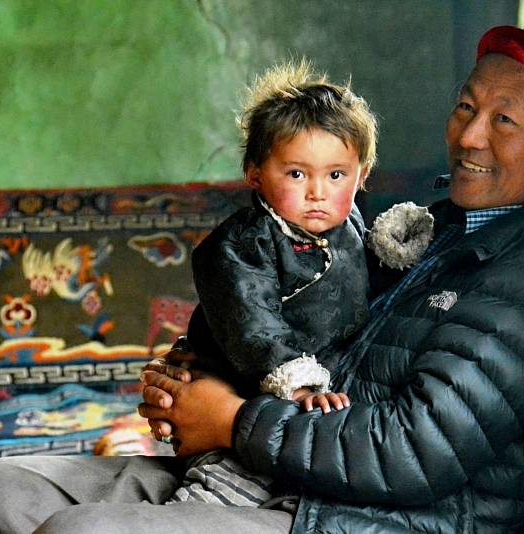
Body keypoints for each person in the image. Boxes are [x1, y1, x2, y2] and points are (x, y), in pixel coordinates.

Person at [0, 25, 524, 533]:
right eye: (467, 109)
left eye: (505, 122)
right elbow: (302, 318)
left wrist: (231, 420)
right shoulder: (444, 231)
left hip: (371, 518)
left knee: (79, 533)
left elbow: (413, 452)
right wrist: (195, 380)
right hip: (281, 472)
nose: (470, 137)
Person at [167, 59, 378, 506]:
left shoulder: (353, 229)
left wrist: (401, 245)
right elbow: (252, 324)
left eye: (335, 175)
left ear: (362, 176)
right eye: (296, 173)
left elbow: (381, 274)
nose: (317, 192)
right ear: (255, 173)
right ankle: (196, 504)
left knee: (307, 472)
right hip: (242, 384)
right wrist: (297, 381)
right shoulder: (244, 243)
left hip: (310, 402)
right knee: (228, 482)